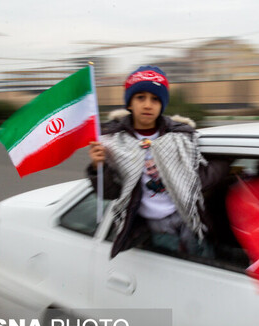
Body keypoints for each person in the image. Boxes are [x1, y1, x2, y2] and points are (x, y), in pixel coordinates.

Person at [87, 65, 228, 258]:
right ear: (129, 103)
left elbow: (196, 178)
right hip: (156, 226)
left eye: (155, 99)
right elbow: (112, 192)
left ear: (162, 104)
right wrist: (98, 167)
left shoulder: (179, 136)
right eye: (140, 97)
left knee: (204, 260)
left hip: (188, 218)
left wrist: (227, 161)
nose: (147, 105)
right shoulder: (114, 143)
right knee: (174, 268)